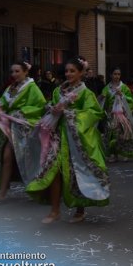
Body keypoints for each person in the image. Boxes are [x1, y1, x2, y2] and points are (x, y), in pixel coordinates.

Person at [26, 57, 109, 223]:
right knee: (54, 172)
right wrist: (52, 109)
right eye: (66, 71)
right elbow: (51, 106)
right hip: (57, 138)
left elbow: (95, 113)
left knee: (78, 172)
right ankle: (55, 210)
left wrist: (69, 114)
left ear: (81, 73)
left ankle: (80, 208)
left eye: (72, 71)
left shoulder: (86, 93)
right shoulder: (58, 91)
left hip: (77, 139)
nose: (68, 74)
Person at [0, 61, 46, 201]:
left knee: (30, 161)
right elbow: (3, 103)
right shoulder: (11, 88)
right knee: (7, 158)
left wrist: (20, 113)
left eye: (17, 71)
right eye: (12, 71)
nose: (14, 74)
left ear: (26, 72)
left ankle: (37, 189)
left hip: (25, 130)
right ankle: (2, 192)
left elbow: (40, 106)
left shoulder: (32, 88)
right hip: (12, 129)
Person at [100, 67, 133, 162]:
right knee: (111, 134)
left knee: (122, 134)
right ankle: (113, 154)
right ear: (111, 75)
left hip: (122, 115)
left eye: (118, 74)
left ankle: (122, 152)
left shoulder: (124, 87)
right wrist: (102, 98)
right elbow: (102, 103)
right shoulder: (106, 88)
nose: (117, 76)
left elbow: (131, 100)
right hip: (110, 115)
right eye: (115, 74)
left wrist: (122, 95)